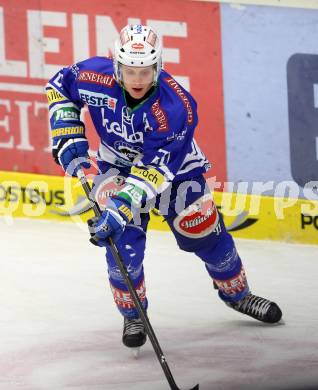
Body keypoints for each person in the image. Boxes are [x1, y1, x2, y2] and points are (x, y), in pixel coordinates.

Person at [46, 24, 282, 349]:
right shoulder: (93, 77)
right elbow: (59, 86)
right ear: (117, 66)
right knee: (121, 244)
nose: (138, 79)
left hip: (175, 169)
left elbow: (155, 171)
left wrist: (120, 207)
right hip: (116, 164)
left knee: (201, 227)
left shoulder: (175, 108)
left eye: (145, 70)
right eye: (130, 70)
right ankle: (133, 314)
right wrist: (66, 131)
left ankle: (238, 295)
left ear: (158, 66)